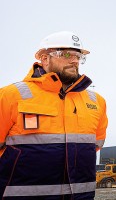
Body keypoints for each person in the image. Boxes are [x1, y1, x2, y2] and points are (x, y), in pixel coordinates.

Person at [0, 31, 108, 199]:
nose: (74, 61)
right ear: (44, 58)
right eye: (66, 54)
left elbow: (93, 147)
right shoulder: (10, 96)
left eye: (78, 56)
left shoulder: (96, 102)